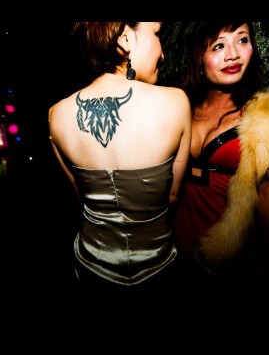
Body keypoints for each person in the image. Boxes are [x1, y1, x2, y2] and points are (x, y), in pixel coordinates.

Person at [173, 21, 269, 290]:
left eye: (242, 40)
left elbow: (267, 191)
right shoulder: (179, 107)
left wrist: (266, 257)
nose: (233, 55)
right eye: (219, 46)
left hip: (227, 252)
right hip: (174, 240)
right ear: (198, 56)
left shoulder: (260, 116)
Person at [48, 22, 191, 296]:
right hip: (157, 269)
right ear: (125, 38)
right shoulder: (176, 102)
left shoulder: (56, 115)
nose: (162, 54)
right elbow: (172, 197)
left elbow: (80, 196)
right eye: (156, 34)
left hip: (92, 267)